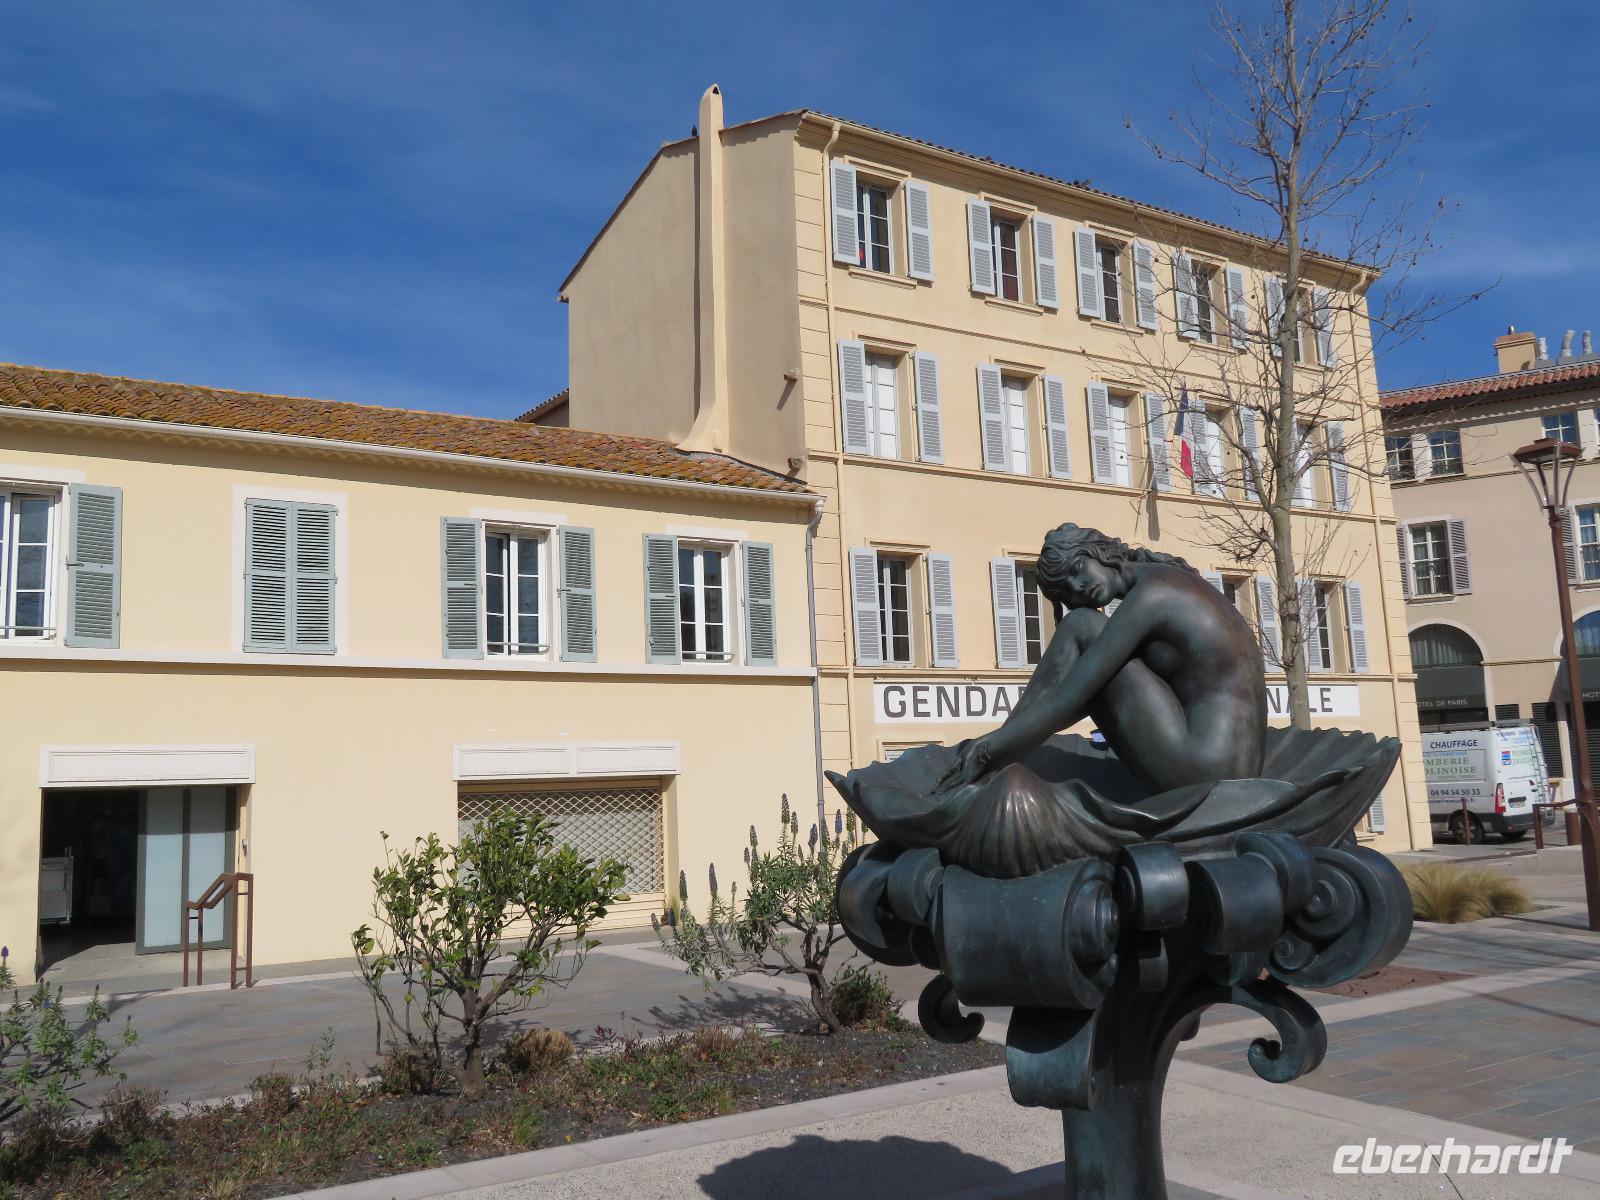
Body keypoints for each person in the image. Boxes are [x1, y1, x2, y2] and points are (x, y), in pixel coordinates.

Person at [937, 523, 1266, 795]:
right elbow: (1085, 697)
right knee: (1083, 636)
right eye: (1066, 592)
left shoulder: (1151, 596)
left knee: (1080, 624)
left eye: (1076, 569)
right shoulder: (1168, 580)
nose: (1078, 588)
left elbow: (1070, 698)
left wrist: (988, 749)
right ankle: (1002, 752)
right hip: (1234, 766)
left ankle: (993, 761)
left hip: (1205, 771)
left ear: (1097, 552)